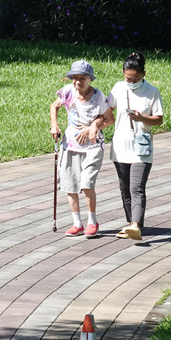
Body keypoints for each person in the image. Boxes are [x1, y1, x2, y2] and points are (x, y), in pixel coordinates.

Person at [49, 60, 114, 238]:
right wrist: (54, 124)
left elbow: (109, 119)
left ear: (90, 79)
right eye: (74, 78)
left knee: (86, 184)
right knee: (71, 185)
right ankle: (77, 223)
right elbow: (54, 106)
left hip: (93, 146)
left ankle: (92, 221)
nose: (78, 82)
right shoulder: (67, 92)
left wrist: (93, 127)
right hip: (70, 144)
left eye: (82, 78)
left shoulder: (99, 96)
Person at [107, 52, 164, 240]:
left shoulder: (152, 92)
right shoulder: (118, 88)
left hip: (141, 149)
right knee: (125, 189)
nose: (131, 81)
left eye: (136, 78)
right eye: (128, 78)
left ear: (144, 74)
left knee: (136, 188)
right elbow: (108, 111)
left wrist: (142, 118)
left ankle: (135, 225)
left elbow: (159, 120)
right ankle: (131, 224)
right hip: (120, 147)